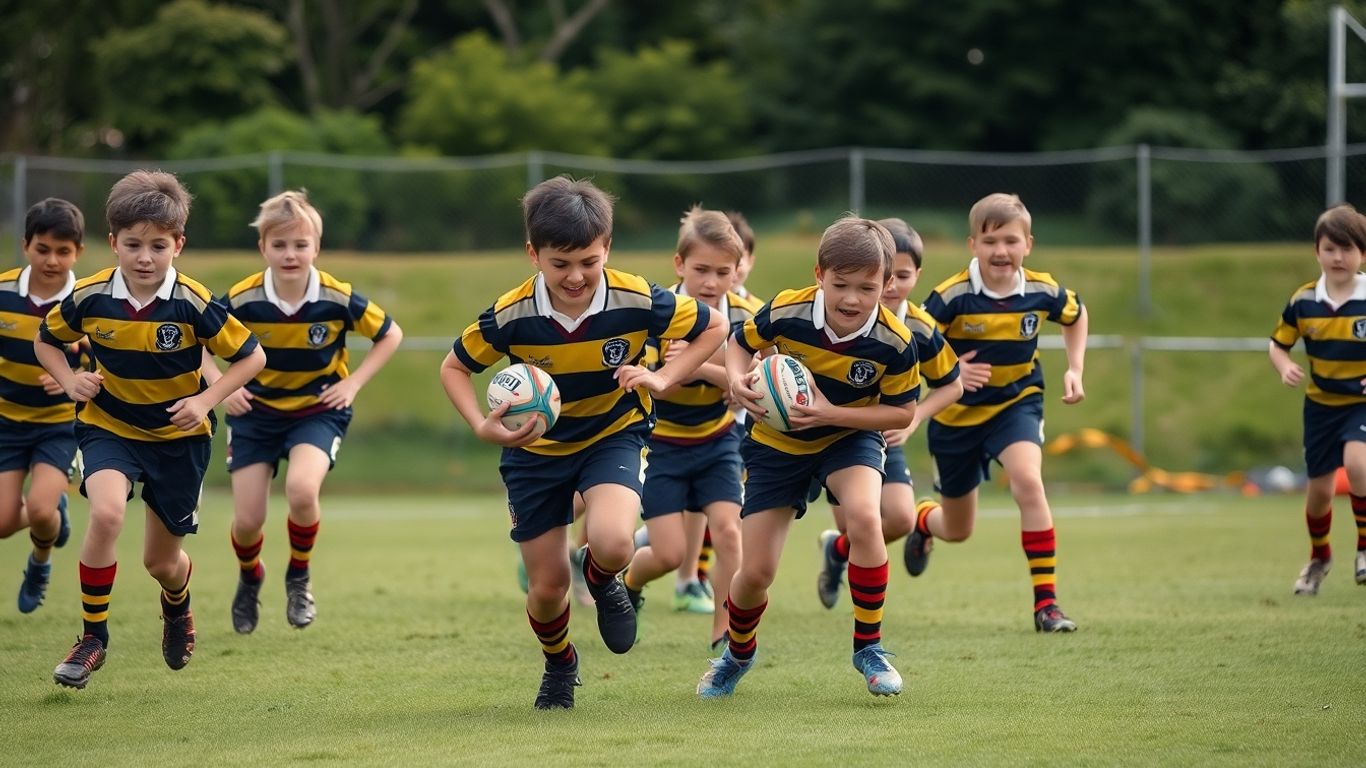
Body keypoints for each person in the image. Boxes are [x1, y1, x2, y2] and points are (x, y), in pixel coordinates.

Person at [439, 176, 725, 710]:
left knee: (615, 542)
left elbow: (715, 328)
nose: (576, 276)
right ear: (534, 254)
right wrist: (480, 423)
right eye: (561, 263)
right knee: (547, 589)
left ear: (607, 249)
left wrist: (664, 377)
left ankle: (601, 576)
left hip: (612, 436)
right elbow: (454, 367)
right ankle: (560, 663)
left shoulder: (637, 297)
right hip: (534, 454)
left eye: (589, 262)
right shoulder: (511, 314)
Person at [36, 170, 265, 688]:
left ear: (178, 244)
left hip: (178, 441)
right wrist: (69, 379)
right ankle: (93, 638)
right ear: (113, 241)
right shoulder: (90, 295)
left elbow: (253, 357)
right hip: (109, 427)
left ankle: (177, 604)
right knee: (107, 513)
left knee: (161, 563)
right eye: (133, 245)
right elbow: (46, 339)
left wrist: (204, 400)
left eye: (158, 246)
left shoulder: (194, 301)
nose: (145, 257)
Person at [696, 216, 921, 699]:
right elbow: (740, 343)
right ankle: (737, 653)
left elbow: (903, 411)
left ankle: (869, 648)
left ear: (886, 285)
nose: (852, 299)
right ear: (819, 274)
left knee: (866, 517)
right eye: (840, 285)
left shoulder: (896, 342)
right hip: (776, 445)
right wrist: (736, 380)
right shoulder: (787, 310)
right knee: (756, 573)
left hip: (848, 438)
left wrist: (831, 413)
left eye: (867, 288)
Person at [204, 190, 402, 634]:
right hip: (255, 414)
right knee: (248, 521)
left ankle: (299, 577)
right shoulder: (242, 298)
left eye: (300, 244)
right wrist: (221, 387)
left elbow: (390, 334)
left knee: (301, 490)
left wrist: (353, 383)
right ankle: (250, 576)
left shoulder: (337, 297)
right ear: (263, 248)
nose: (290, 254)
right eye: (279, 245)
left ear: (316, 247)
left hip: (317, 412)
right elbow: (197, 338)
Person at [914, 193, 1088, 633]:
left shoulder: (1042, 290)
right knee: (958, 530)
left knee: (1028, 481)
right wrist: (953, 369)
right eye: (990, 241)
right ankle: (924, 520)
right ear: (972, 245)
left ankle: (1047, 605)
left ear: (1028, 244)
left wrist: (1075, 368)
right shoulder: (950, 297)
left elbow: (1076, 314)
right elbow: (914, 346)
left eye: (1011, 240)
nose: (1001, 251)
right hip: (955, 418)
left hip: (1016, 403)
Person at [623, 207, 758, 651]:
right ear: (679, 264)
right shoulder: (657, 313)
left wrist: (699, 365)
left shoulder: (750, 315)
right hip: (661, 444)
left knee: (730, 532)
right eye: (701, 270)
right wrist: (708, 372)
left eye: (723, 272)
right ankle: (630, 584)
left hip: (719, 440)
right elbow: (654, 387)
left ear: (738, 270)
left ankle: (724, 633)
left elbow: (755, 382)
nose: (711, 282)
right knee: (669, 554)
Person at [817, 218, 963, 607]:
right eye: (886, 274)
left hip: (880, 435)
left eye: (903, 275)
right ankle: (838, 549)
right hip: (823, 434)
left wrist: (914, 418)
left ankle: (836, 552)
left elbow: (953, 385)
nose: (893, 285)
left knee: (899, 518)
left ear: (917, 276)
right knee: (852, 526)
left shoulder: (919, 328)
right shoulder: (836, 309)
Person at [1269, 203, 1366, 594]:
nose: (1338, 257)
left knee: (1358, 464)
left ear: (1362, 253)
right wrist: (1284, 367)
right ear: (1317, 252)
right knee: (1320, 492)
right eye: (1330, 248)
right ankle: (1320, 557)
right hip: (1321, 406)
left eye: (1347, 248)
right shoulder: (1304, 300)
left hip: (1360, 403)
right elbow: (1278, 344)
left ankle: (1364, 548)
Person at [2, 198, 87, 613]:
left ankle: (40, 560)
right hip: (7, 422)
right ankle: (56, 512)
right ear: (26, 246)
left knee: (38, 509)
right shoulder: (3, 293)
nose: (52, 260)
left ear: (78, 252)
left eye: (63, 251)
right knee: (3, 523)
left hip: (59, 425)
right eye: (43, 249)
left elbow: (108, 359)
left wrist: (72, 376)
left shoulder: (88, 301)